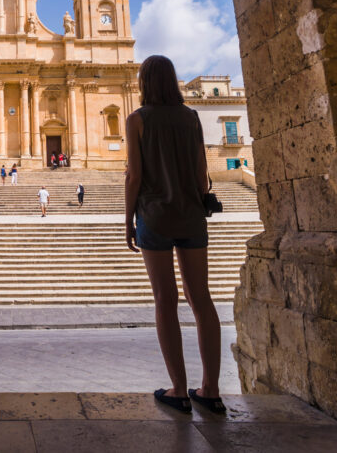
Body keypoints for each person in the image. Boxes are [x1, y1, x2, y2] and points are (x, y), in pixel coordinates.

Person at [125, 54, 225, 416]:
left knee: (165, 300)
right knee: (202, 299)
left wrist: (127, 220)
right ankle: (211, 390)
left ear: (144, 82)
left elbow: (134, 176)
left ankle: (180, 390)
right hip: (191, 216)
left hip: (154, 216)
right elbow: (202, 173)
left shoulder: (137, 119)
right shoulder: (192, 117)